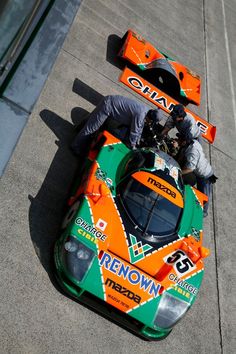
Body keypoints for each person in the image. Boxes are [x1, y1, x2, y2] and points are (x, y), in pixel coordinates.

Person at [71, 95, 162, 156]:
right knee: (92, 127)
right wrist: (134, 147)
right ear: (150, 118)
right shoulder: (140, 115)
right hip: (108, 106)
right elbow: (134, 132)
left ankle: (78, 129)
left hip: (110, 101)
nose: (150, 123)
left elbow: (140, 128)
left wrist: (138, 141)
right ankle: (75, 146)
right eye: (151, 122)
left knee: (91, 119)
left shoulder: (145, 110)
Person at [173, 135, 217, 217]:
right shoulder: (192, 143)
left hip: (206, 176)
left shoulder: (193, 151)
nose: (178, 140)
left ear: (184, 141)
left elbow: (190, 169)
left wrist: (177, 172)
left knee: (204, 198)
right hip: (200, 172)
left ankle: (203, 213)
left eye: (179, 140)